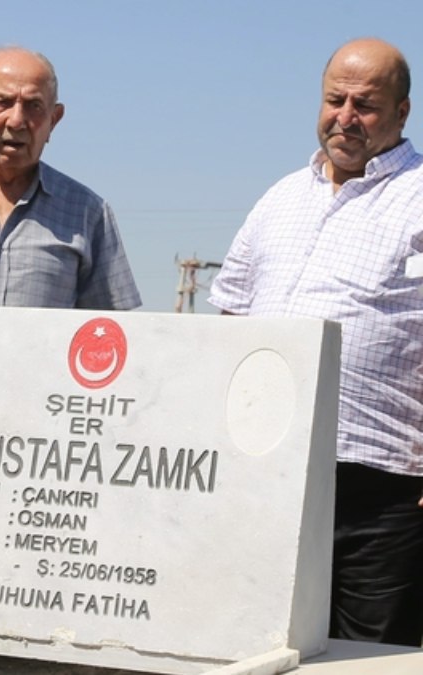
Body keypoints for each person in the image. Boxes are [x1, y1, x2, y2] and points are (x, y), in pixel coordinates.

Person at [210, 38, 423, 646]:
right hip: (263, 476)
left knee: (370, 657)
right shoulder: (278, 198)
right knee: (255, 645)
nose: (346, 116)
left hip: (379, 489)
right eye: (335, 99)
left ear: (402, 113)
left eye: (367, 104)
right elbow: (229, 319)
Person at [0, 46, 141, 310]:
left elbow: (111, 327)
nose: (17, 121)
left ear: (53, 121)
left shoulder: (87, 212)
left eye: (34, 106)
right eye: (2, 103)